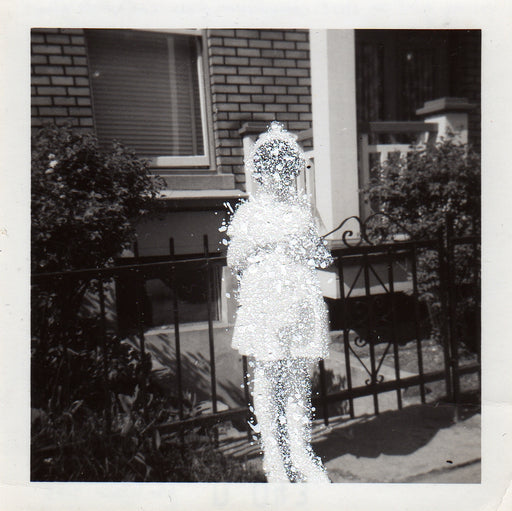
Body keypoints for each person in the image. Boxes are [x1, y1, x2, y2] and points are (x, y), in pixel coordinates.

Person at [226, 122, 332, 483]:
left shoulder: (304, 210)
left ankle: (301, 450)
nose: (277, 175)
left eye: (284, 168)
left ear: (291, 170)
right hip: (265, 301)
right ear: (259, 172)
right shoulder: (248, 214)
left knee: (300, 377)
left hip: (300, 299)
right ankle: (273, 454)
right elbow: (235, 260)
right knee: (269, 377)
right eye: (269, 168)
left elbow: (319, 255)